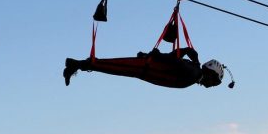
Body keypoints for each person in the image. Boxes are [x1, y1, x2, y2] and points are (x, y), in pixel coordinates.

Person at [63, 47, 226, 88]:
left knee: (109, 65)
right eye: (214, 82)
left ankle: (75, 63)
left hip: (145, 67)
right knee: (108, 66)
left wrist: (195, 57)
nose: (211, 86)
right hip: (144, 68)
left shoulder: (194, 71)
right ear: (210, 74)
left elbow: (183, 54)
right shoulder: (193, 73)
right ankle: (75, 64)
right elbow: (174, 62)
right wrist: (158, 55)